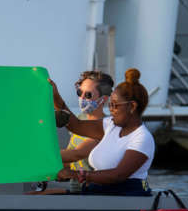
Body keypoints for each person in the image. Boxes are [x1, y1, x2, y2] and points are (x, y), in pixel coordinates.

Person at [52, 68, 155, 196]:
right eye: (110, 105)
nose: (111, 110)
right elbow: (76, 125)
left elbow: (118, 175)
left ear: (132, 106)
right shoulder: (110, 124)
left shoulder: (142, 138)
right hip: (97, 192)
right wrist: (55, 97)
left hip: (124, 196)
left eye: (115, 105)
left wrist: (75, 174)